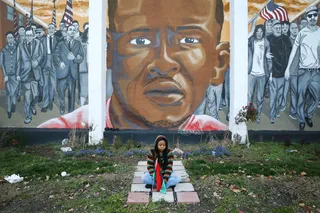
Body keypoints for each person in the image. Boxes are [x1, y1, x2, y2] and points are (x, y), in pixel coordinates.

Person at [38, 0, 229, 131]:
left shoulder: (218, 133)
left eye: (189, 39)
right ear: (108, 53)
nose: (163, 64)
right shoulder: (58, 131)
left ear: (218, 64)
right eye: (140, 41)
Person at [284, 6, 320, 131]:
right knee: (300, 97)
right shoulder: (302, 33)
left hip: (316, 72)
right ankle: (301, 120)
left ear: (317, 16)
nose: (312, 18)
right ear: (306, 17)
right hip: (303, 71)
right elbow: (293, 52)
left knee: (316, 97)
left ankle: (308, 114)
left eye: (314, 15)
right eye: (309, 16)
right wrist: (288, 68)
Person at [53, 25, 84, 114]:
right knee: (61, 92)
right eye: (70, 30)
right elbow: (55, 56)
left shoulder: (78, 44)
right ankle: (62, 105)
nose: (72, 31)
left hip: (72, 73)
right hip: (62, 72)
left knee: (72, 94)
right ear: (66, 32)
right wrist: (60, 63)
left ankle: (71, 111)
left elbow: (81, 57)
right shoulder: (60, 44)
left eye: (74, 30)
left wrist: (74, 58)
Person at [16, 27, 44, 124]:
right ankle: (28, 116)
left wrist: (37, 61)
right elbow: (18, 61)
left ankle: (33, 105)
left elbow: (42, 55)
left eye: (30, 35)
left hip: (35, 74)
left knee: (36, 96)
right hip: (25, 75)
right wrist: (18, 74)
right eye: (27, 35)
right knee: (27, 98)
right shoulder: (20, 45)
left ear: (33, 35)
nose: (28, 37)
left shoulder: (38, 43)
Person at [267, 20, 292, 124]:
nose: (278, 29)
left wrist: (288, 70)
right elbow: (263, 50)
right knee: (273, 96)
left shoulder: (286, 39)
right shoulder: (268, 39)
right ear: (272, 29)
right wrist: (265, 54)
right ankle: (272, 115)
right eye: (276, 28)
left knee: (280, 95)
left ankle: (277, 110)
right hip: (272, 73)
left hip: (283, 72)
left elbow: (290, 55)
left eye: (279, 28)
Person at [248, 25, 272, 124]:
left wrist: (269, 74)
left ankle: (258, 116)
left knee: (259, 97)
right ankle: (250, 115)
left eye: (261, 32)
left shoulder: (266, 43)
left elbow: (269, 60)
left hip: (262, 74)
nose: (259, 33)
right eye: (257, 31)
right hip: (251, 73)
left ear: (263, 32)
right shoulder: (251, 41)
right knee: (249, 96)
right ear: (255, 32)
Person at [1, 32, 19, 118]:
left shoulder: (17, 49)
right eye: (8, 38)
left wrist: (18, 74)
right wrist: (5, 75)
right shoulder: (3, 50)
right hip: (8, 75)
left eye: (11, 37)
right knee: (8, 93)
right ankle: (9, 109)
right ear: (7, 39)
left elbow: (19, 62)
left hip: (15, 75)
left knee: (14, 92)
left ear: (14, 38)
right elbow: (2, 64)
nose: (10, 39)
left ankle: (14, 104)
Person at [40, 23, 58, 112]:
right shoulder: (42, 40)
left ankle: (51, 100)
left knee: (52, 85)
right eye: (49, 28)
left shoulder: (57, 40)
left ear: (54, 30)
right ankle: (45, 104)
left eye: (52, 28)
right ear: (47, 29)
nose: (51, 30)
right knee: (45, 85)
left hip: (54, 63)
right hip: (45, 62)